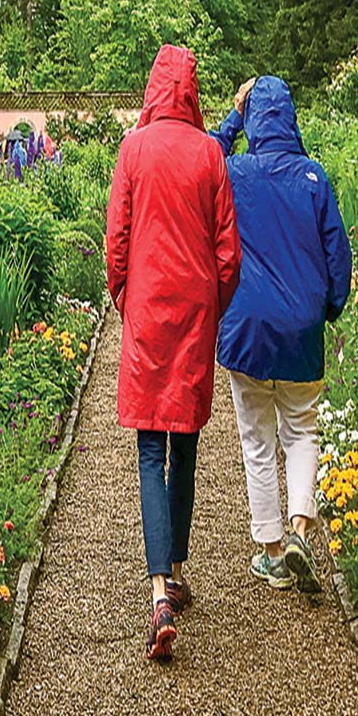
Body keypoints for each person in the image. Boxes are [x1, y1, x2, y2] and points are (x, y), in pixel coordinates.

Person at [106, 45, 240, 662]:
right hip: (191, 311)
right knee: (184, 440)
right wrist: (213, 304)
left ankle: (158, 588)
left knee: (149, 446)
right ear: (191, 90)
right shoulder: (211, 152)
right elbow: (227, 252)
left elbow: (118, 239)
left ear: (153, 89)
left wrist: (125, 296)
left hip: (148, 308)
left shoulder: (133, 150)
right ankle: (177, 569)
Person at [212, 76, 352, 594]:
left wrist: (233, 116)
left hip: (246, 328)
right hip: (299, 331)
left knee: (255, 439)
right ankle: (299, 528)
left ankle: (271, 551)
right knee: (301, 431)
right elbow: (337, 254)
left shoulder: (233, 173)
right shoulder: (313, 178)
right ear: (290, 117)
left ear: (253, 119)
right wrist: (328, 310)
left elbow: (206, 153)